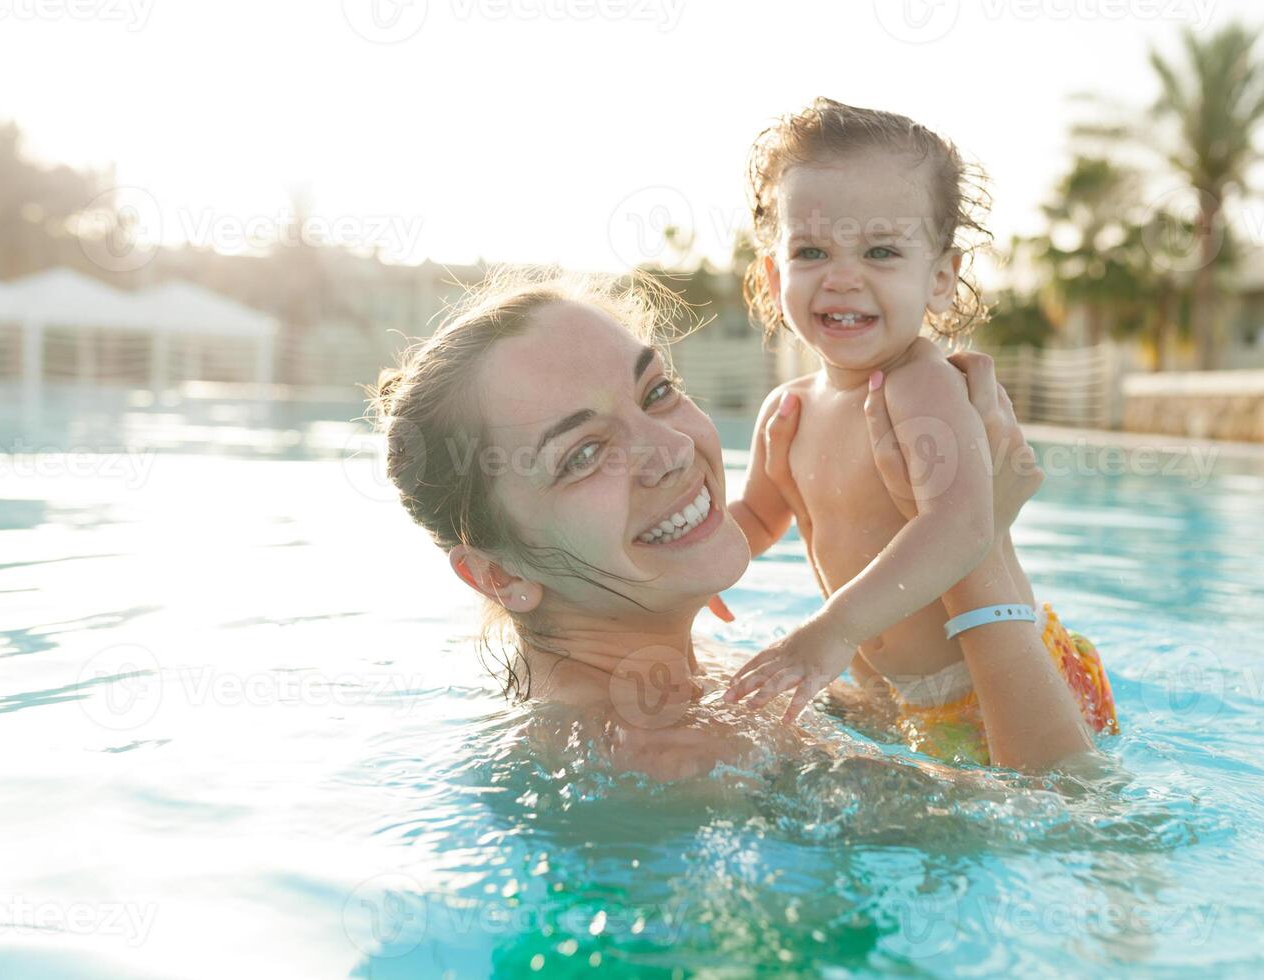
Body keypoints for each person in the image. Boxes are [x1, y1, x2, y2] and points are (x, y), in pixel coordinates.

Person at [371, 268, 1094, 779]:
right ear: (500, 575)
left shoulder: (687, 693)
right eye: (584, 453)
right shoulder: (683, 753)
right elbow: (1078, 833)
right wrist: (977, 544)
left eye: (656, 391)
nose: (674, 449)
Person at [721, 97, 1117, 766]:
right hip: (898, 698)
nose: (843, 277)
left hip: (998, 688)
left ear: (939, 279)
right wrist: (692, 566)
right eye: (811, 250)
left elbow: (963, 525)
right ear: (771, 274)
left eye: (880, 251)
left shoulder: (920, 385)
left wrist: (832, 631)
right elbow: (758, 518)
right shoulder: (786, 412)